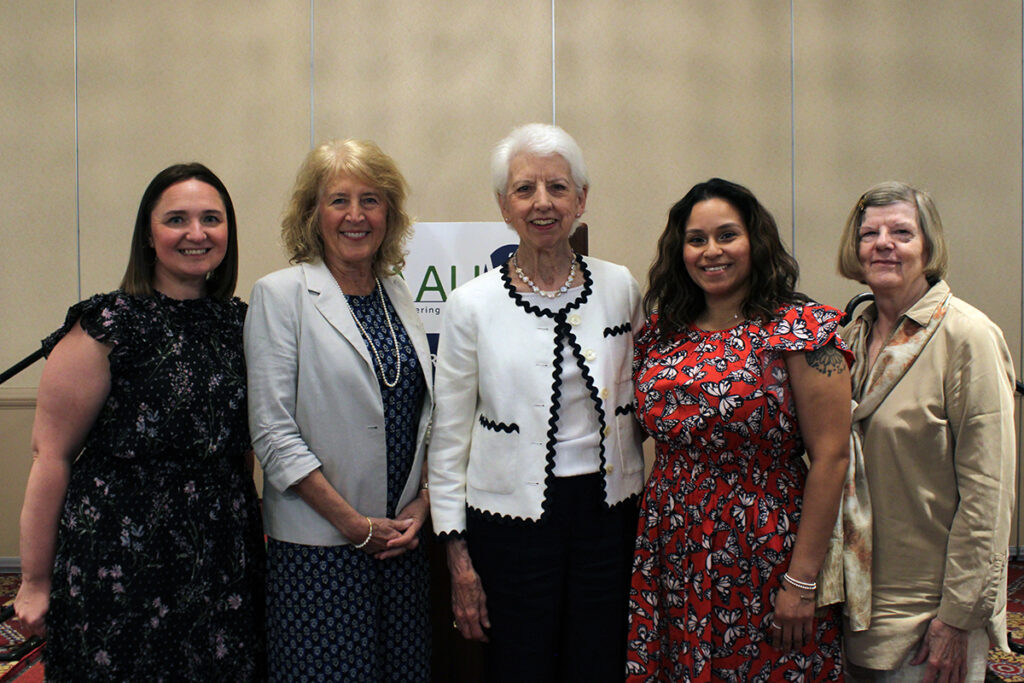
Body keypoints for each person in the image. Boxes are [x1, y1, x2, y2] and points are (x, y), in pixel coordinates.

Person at [13, 163, 265, 681]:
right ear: (149, 236)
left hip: (221, 558)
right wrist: (35, 581)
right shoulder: (108, 325)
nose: (196, 234)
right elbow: (50, 456)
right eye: (177, 219)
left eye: (211, 219)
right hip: (119, 558)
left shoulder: (242, 324)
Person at [428, 123, 646, 683]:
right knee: (518, 666)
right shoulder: (470, 304)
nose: (542, 203)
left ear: (581, 199)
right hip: (510, 523)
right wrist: (458, 558)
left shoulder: (620, 286)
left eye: (557, 187)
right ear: (504, 206)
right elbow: (449, 440)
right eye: (524, 190)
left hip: (607, 515)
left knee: (598, 662)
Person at [626, 178, 852, 681]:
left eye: (727, 235)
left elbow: (832, 456)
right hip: (672, 551)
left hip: (767, 550)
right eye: (696, 239)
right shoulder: (660, 334)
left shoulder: (800, 328)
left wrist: (802, 580)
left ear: (755, 241)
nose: (711, 251)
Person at [244, 139, 434, 681]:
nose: (356, 215)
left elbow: (425, 415)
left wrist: (421, 505)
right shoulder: (280, 296)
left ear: (390, 214)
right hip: (320, 550)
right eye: (338, 201)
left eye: (371, 200)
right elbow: (273, 433)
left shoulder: (397, 292)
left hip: (400, 545)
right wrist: (354, 526)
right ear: (313, 214)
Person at [837, 181, 1015, 683]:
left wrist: (957, 618)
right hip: (854, 600)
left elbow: (989, 493)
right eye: (869, 232)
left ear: (929, 247)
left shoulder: (967, 337)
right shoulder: (849, 337)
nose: (883, 243)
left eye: (901, 232)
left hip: (931, 614)